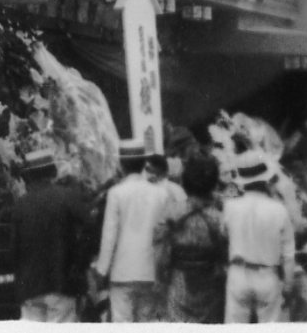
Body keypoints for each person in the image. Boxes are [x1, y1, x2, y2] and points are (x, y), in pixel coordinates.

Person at [89, 138, 183, 322]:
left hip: (121, 271)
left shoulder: (116, 193)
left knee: (121, 321)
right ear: (143, 164)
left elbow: (109, 234)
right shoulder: (161, 193)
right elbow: (165, 234)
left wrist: (102, 269)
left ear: (121, 164)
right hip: (150, 271)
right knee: (146, 322)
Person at [9, 146, 95, 321]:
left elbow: (14, 249)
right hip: (62, 284)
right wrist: (80, 263)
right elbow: (91, 228)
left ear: (29, 175)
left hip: (29, 287)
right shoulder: (67, 197)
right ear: (53, 171)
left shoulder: (20, 205)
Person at [153, 149, 225, 323]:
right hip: (211, 287)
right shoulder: (220, 216)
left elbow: (160, 256)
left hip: (179, 285)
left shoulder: (172, 212)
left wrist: (160, 282)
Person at [222, 153, 295, 323]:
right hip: (268, 276)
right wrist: (288, 285)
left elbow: (224, 236)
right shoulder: (279, 210)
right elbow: (288, 255)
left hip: (238, 273)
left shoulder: (230, 207)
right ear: (266, 180)